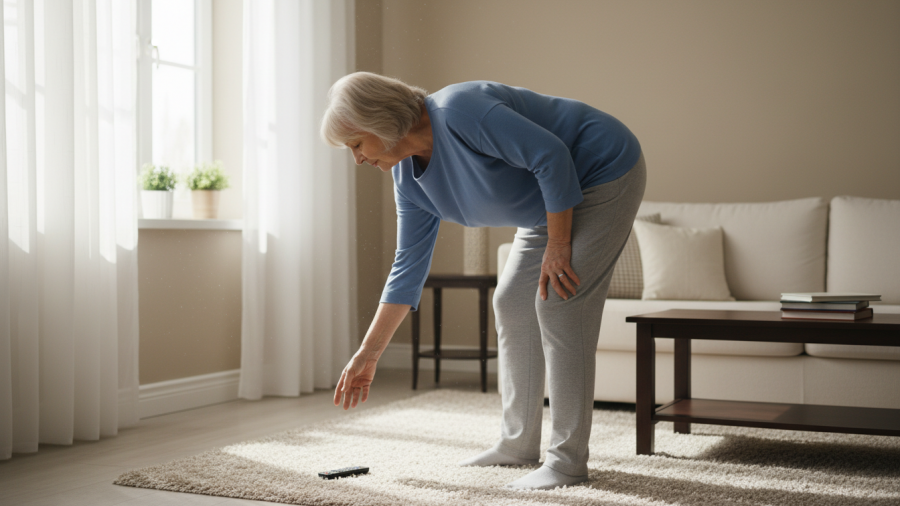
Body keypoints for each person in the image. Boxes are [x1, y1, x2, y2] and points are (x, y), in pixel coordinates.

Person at [320, 72, 646, 490]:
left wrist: (559, 244)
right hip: (546, 206)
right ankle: (517, 444)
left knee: (560, 303)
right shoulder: (407, 179)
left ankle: (567, 462)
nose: (358, 160)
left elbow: (551, 156)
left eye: (356, 145)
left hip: (602, 169)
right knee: (511, 301)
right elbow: (408, 266)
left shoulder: (459, 110)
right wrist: (368, 353)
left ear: (380, 123)